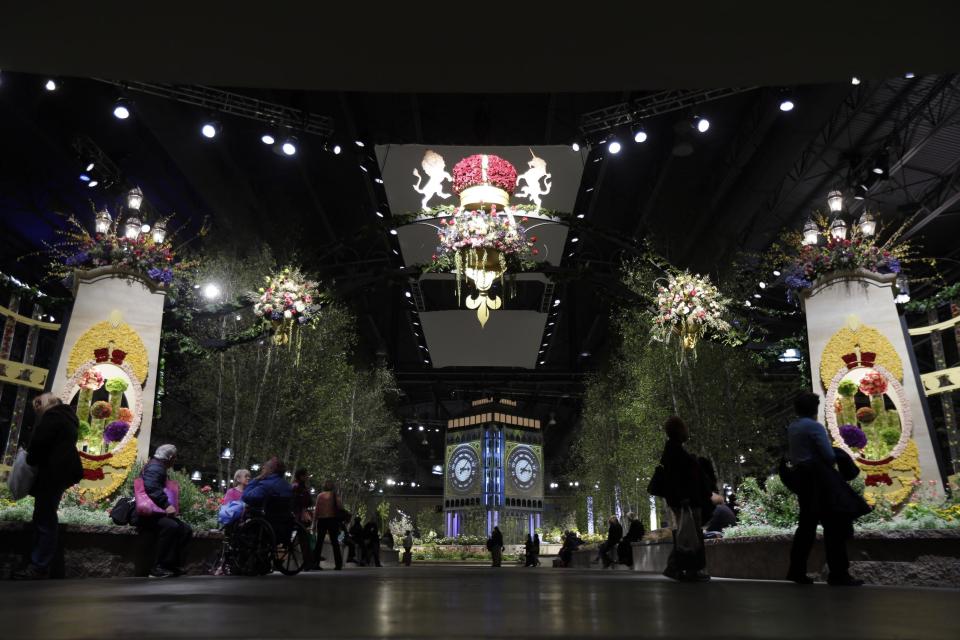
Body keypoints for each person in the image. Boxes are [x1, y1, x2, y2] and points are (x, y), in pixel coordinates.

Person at [785, 392, 869, 586]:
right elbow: (829, 456)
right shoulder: (814, 427)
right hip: (820, 481)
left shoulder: (793, 427)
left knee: (806, 527)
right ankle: (839, 574)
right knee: (834, 525)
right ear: (814, 409)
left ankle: (797, 571)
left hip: (803, 481)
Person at [13, 393, 83, 580]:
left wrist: (30, 458)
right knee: (46, 515)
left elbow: (38, 445)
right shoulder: (68, 418)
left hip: (51, 475)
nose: (36, 408)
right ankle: (39, 564)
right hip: (60, 475)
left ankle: (39, 566)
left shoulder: (53, 417)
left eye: (38, 404)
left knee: (44, 519)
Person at [658, 416, 713, 582]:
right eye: (685, 428)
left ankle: (677, 567)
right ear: (679, 430)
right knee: (691, 534)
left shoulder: (673, 449)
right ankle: (690, 569)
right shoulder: (675, 450)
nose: (687, 431)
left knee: (687, 533)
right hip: (686, 500)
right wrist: (684, 497)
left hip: (685, 499)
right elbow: (678, 477)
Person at [138, 444, 193, 578]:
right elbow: (151, 487)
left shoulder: (157, 466)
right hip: (148, 513)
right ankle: (158, 567)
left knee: (185, 529)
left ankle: (171, 566)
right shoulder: (156, 468)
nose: (175, 460)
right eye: (174, 457)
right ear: (169, 457)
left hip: (154, 512)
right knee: (171, 527)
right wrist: (166, 505)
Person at [313, 480, 345, 570]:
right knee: (334, 542)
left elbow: (316, 510)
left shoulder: (320, 496)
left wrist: (314, 523)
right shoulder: (335, 495)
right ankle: (338, 564)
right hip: (332, 520)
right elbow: (340, 507)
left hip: (322, 520)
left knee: (319, 542)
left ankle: (315, 563)